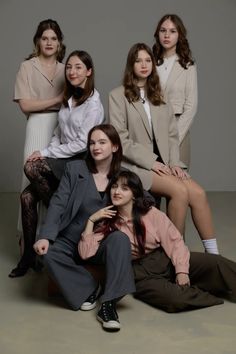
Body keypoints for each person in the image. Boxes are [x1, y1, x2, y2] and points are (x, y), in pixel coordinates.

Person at [109, 42, 219, 254]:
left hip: (165, 164)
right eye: (138, 60)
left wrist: (175, 163)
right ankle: (175, 252)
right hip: (135, 166)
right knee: (179, 191)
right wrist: (153, 162)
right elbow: (120, 139)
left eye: (148, 60)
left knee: (198, 193)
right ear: (131, 65)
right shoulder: (117, 96)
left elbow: (171, 134)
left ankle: (213, 255)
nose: (144, 65)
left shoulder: (161, 94)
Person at [79, 170, 236, 313]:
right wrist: (91, 221)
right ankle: (207, 291)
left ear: (134, 194)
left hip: (163, 258)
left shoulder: (151, 213)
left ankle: (203, 283)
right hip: (139, 274)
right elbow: (86, 253)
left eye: (124, 188)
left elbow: (175, 242)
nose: (117, 192)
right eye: (114, 187)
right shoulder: (107, 223)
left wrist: (181, 270)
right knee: (174, 300)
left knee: (217, 263)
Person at [9, 50, 104, 278]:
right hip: (62, 158)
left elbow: (82, 144)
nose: (72, 71)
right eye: (69, 67)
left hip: (79, 163)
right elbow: (57, 133)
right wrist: (47, 151)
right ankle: (28, 258)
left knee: (31, 168)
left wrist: (45, 152)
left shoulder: (93, 104)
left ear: (88, 72)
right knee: (27, 197)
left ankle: (61, 214)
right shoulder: (68, 98)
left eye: (78, 67)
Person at [32, 124, 135, 331]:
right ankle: (89, 287)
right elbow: (58, 203)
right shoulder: (76, 169)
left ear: (115, 147)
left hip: (102, 241)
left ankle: (108, 305)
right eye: (92, 143)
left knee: (121, 239)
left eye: (102, 142)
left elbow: (142, 199)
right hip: (71, 238)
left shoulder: (123, 176)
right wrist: (46, 236)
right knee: (46, 252)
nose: (96, 147)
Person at [13, 18, 66, 270]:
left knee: (50, 182)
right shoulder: (27, 66)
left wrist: (52, 104)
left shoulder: (66, 68)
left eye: (54, 38)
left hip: (60, 128)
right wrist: (56, 100)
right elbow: (25, 105)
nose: (49, 42)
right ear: (38, 41)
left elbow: (72, 104)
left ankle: (49, 245)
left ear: (59, 43)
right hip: (36, 126)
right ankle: (26, 248)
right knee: (29, 181)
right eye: (45, 38)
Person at [153, 14, 197, 167]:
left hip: (179, 129)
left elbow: (191, 105)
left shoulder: (187, 66)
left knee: (179, 182)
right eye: (163, 30)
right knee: (152, 184)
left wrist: (174, 136)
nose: (166, 35)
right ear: (157, 34)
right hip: (152, 131)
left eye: (172, 31)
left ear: (180, 35)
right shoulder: (149, 63)